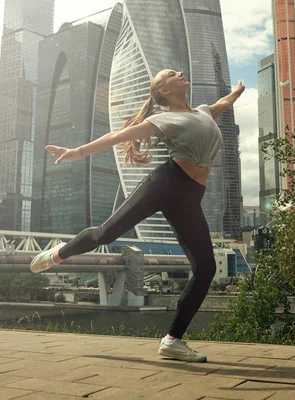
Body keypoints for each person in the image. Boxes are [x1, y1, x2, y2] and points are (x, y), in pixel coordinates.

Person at [29, 69, 245, 362]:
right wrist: (76, 151)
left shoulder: (204, 111)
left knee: (206, 268)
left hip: (191, 196)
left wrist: (237, 92)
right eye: (172, 74)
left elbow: (222, 104)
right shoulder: (162, 119)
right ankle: (58, 254)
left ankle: (172, 341)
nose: (180, 73)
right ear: (164, 91)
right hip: (166, 184)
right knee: (106, 234)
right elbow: (117, 135)